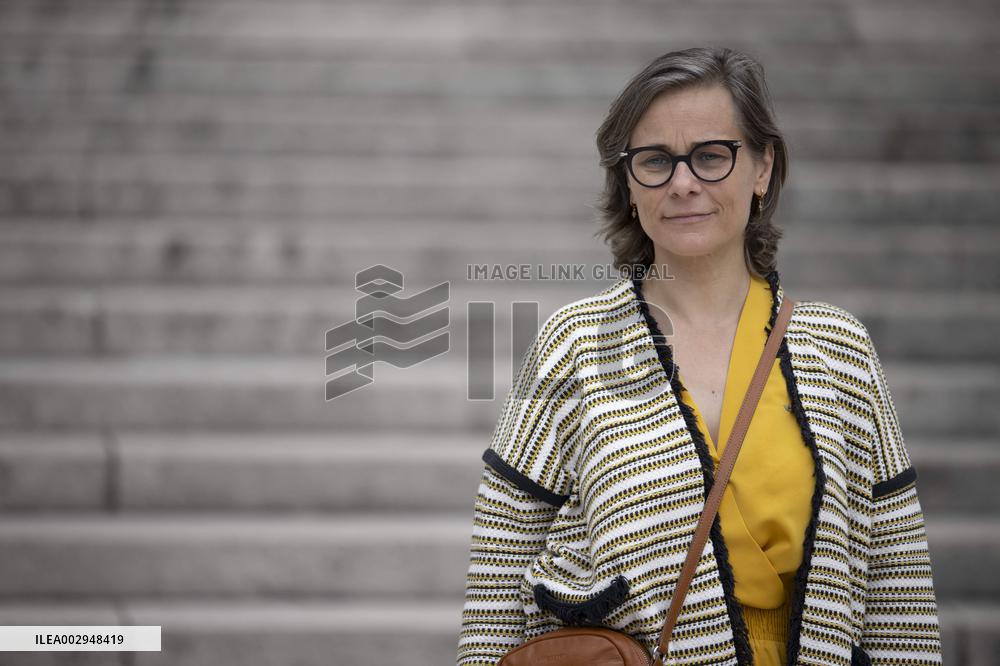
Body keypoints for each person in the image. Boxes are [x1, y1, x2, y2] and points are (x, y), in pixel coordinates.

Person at [457, 46, 942, 666]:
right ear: (628, 183)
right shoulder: (574, 344)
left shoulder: (839, 350)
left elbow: (899, 598)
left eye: (712, 156)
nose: (683, 182)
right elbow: (498, 573)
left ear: (762, 168)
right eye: (656, 160)